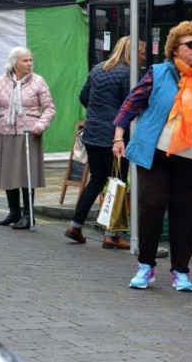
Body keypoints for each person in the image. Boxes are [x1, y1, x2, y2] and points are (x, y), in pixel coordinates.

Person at [113, 21, 192, 292]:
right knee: (153, 205)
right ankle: (146, 266)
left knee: (187, 215)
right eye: (190, 44)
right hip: (156, 154)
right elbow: (132, 103)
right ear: (175, 49)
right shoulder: (158, 73)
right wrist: (119, 136)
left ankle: (180, 270)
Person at [65, 36, 145, 249]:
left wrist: (97, 113)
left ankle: (76, 224)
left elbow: (84, 97)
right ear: (133, 52)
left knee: (97, 179)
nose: (144, 57)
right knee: (118, 182)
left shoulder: (98, 69)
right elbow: (132, 105)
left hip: (92, 133)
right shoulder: (129, 74)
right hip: (115, 138)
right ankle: (111, 234)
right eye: (142, 53)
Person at [0, 46, 56, 230]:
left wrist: (41, 125)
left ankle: (29, 216)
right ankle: (14, 212)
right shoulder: (0, 81)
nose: (29, 63)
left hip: (29, 133)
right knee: (9, 173)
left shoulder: (38, 81)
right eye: (25, 60)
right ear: (14, 63)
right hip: (7, 132)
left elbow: (49, 107)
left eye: (30, 60)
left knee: (27, 175)